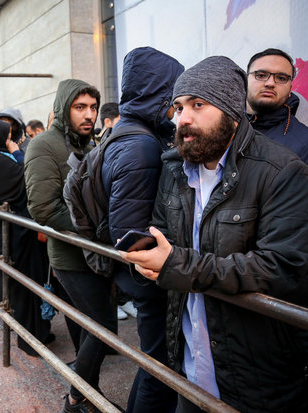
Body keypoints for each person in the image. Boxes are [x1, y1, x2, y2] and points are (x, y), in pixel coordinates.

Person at [120, 56, 308, 413]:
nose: (182, 117)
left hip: (259, 373)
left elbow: (281, 267)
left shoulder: (284, 172)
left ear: (231, 110)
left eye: (197, 105)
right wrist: (149, 262)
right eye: (178, 106)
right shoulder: (174, 169)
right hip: (191, 362)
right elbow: (161, 236)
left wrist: (176, 264)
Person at [25, 79, 116, 413]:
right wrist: (93, 230)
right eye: (80, 107)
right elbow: (43, 208)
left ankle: (88, 396)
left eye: (93, 107)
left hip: (96, 254)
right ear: (64, 108)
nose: (89, 114)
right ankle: (76, 397)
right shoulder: (44, 145)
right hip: (70, 256)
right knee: (103, 327)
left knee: (86, 327)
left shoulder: (90, 143)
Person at [102, 47, 181, 413]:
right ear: (158, 93)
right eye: (174, 97)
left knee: (154, 365)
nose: (178, 109)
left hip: (142, 275)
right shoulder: (142, 146)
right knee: (160, 370)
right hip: (150, 277)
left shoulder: (127, 132)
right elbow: (132, 232)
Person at [0, 119, 52, 354]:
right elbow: (30, 176)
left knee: (12, 280)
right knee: (27, 282)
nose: (9, 140)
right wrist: (17, 153)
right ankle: (33, 338)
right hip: (18, 232)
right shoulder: (2, 163)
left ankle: (25, 330)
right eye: (6, 136)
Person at [245, 48, 308, 244]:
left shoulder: (307, 145)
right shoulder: (222, 131)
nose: (270, 82)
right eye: (261, 75)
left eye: (281, 78)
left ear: (290, 88)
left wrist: (270, 253)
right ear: (246, 80)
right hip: (214, 265)